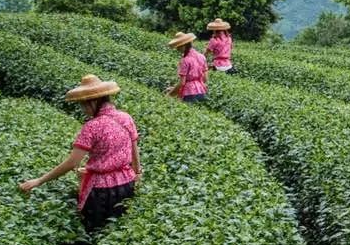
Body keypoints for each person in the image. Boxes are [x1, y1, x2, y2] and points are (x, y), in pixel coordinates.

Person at [18, 75, 141, 233]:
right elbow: (134, 149)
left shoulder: (92, 126)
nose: (83, 110)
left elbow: (72, 163)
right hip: (127, 184)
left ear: (93, 102)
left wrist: (39, 181)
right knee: (120, 230)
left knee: (97, 232)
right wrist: (137, 173)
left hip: (102, 191)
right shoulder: (126, 117)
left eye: (83, 105)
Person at [166, 32, 208, 102]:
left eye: (178, 46)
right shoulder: (202, 56)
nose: (177, 48)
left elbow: (182, 83)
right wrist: (173, 88)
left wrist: (170, 94)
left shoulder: (185, 60)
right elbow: (205, 79)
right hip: (202, 92)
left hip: (189, 94)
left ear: (184, 45)